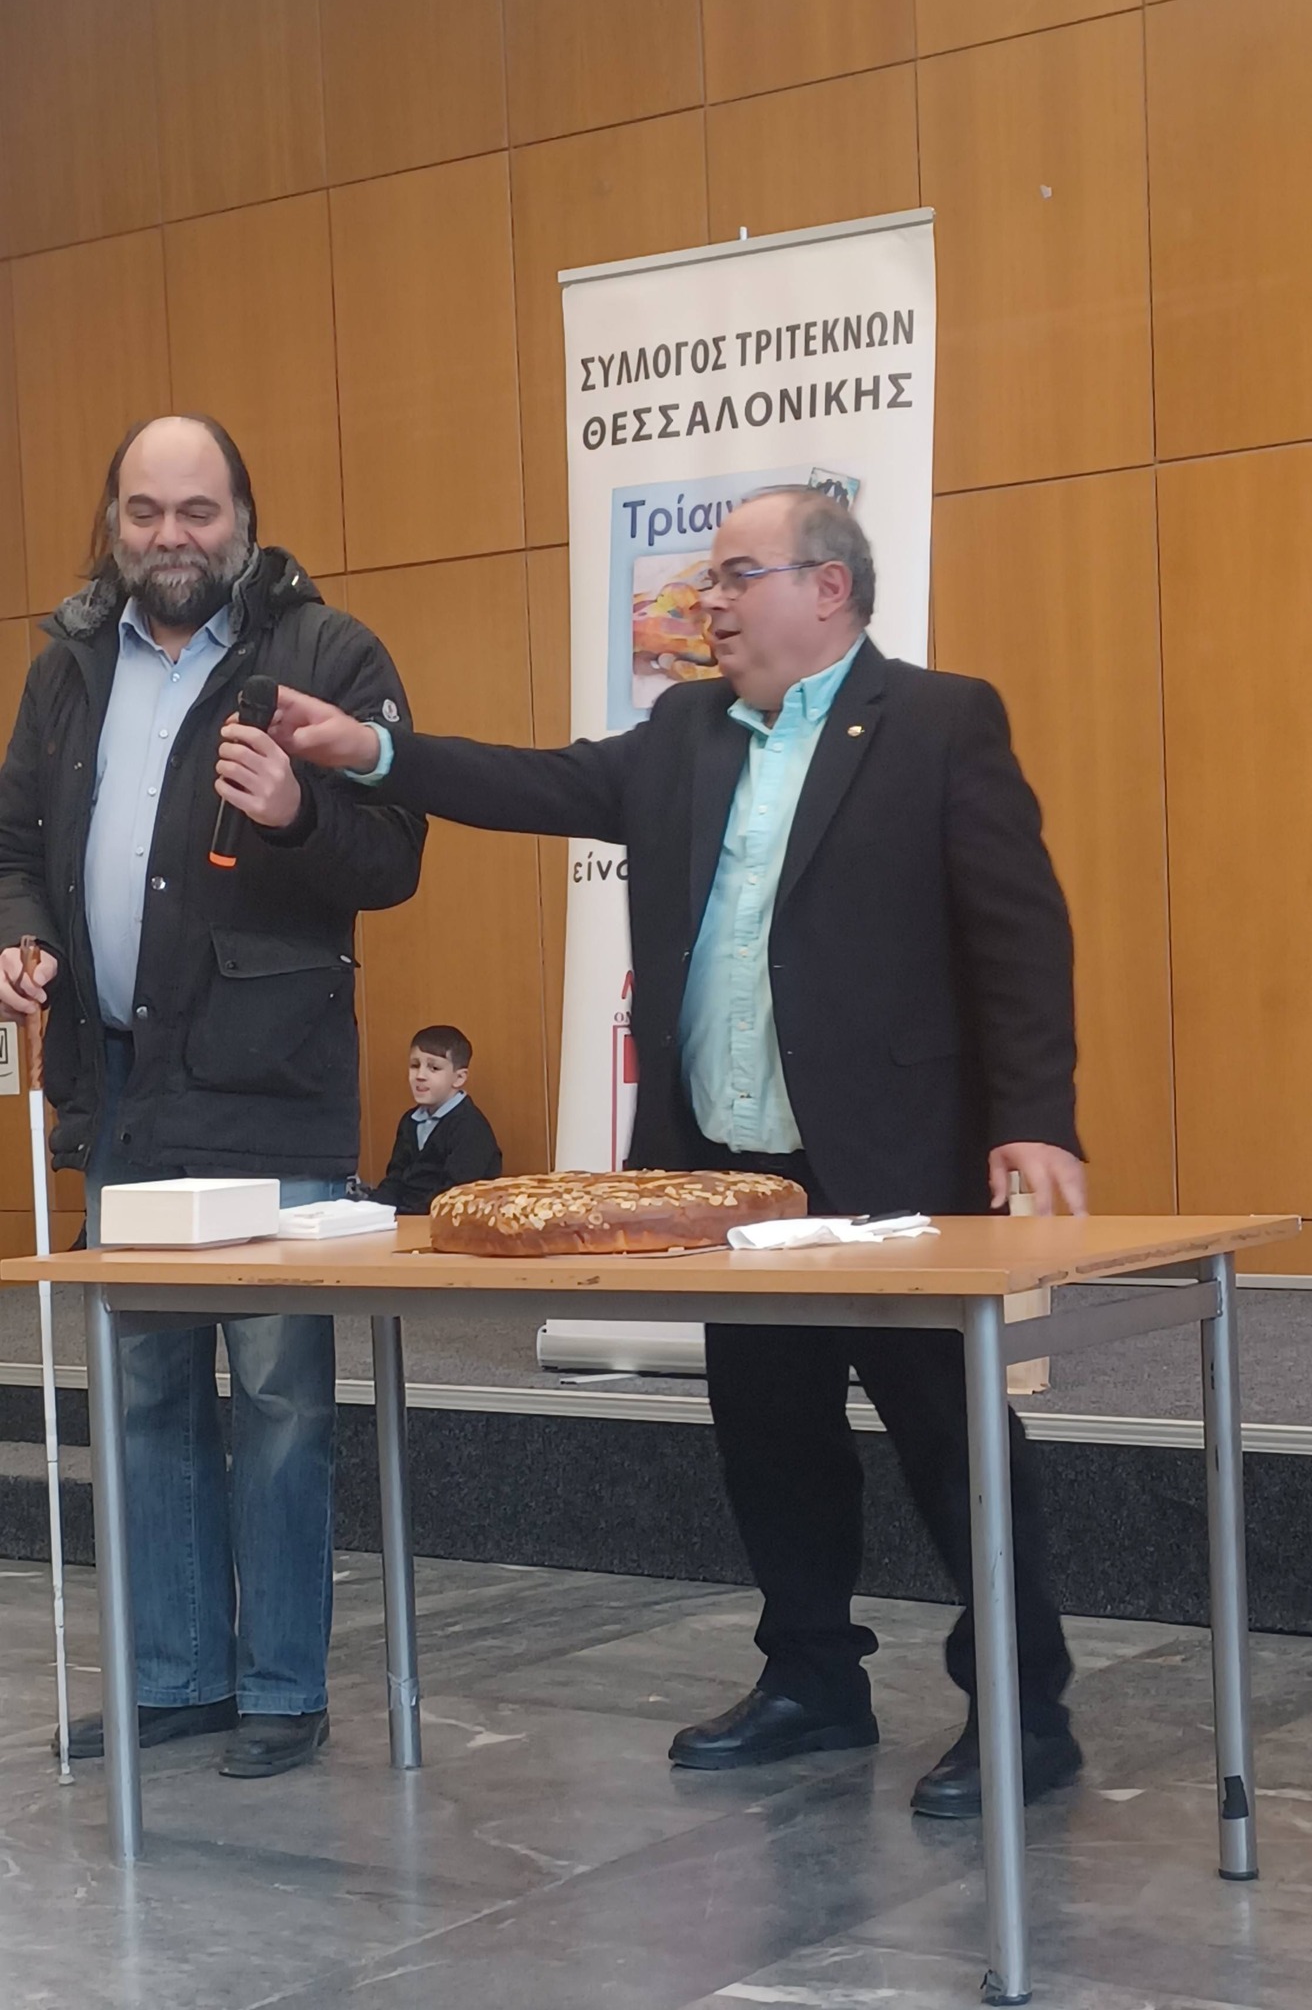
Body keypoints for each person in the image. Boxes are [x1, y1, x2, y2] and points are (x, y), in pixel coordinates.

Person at [269, 484, 1087, 1817]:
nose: (708, 603)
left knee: (951, 1438)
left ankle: (1021, 1706)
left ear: (829, 588)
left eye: (734, 576)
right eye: (708, 581)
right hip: (727, 1175)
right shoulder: (683, 733)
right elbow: (529, 782)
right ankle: (812, 1677)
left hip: (894, 1165)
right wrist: (371, 750)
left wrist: (1035, 1111)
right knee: (768, 1433)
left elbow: (1019, 933)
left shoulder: (940, 723)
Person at [0, 414, 425, 1779]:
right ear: (114, 520)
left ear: (243, 514)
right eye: (145, 511)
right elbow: (13, 846)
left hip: (269, 1085)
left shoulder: (326, 652)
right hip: (123, 1085)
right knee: (146, 1392)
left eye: (197, 510)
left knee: (282, 1397)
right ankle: (177, 1677)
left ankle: (283, 1687)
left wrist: (301, 810)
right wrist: (20, 933)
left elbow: (396, 855)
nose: (170, 536)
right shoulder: (67, 665)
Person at [368, 1024, 501, 1214]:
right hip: (406, 1218)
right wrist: (372, 1211)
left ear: (459, 1078)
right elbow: (395, 1179)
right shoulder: (409, 1121)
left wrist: (408, 1216)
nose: (420, 1076)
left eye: (434, 1068)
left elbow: (454, 1194)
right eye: (415, 1066)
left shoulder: (471, 1127)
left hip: (445, 1221)